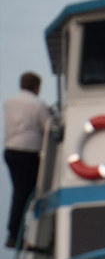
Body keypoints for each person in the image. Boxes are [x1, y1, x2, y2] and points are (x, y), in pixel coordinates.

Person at [3, 71, 51, 248]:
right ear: (36, 87)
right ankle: (15, 235)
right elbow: (47, 126)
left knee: (18, 192)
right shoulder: (38, 104)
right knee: (26, 193)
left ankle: (16, 232)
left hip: (10, 151)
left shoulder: (9, 102)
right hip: (28, 152)